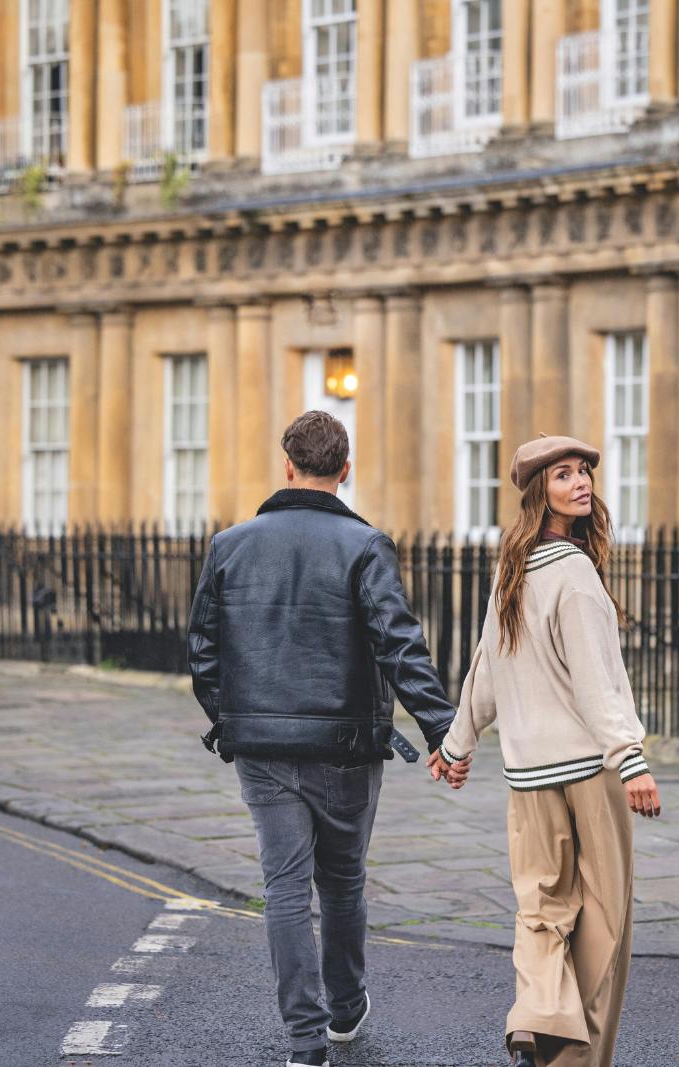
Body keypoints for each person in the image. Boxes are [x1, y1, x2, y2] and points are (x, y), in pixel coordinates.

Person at [187, 410, 457, 1067]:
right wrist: (444, 730)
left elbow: (202, 653)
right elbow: (400, 644)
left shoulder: (229, 544)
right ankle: (344, 1010)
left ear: (287, 465)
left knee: (283, 887)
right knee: (341, 883)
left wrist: (233, 720)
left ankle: (305, 1046)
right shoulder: (366, 545)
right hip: (344, 749)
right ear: (346, 468)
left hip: (263, 749)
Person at [427, 434, 662, 1067]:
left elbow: (484, 667)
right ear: (541, 492)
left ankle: (536, 1016)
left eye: (584, 471)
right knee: (604, 920)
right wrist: (631, 760)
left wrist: (456, 745)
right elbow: (597, 678)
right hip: (589, 773)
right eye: (564, 475)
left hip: (526, 775)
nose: (581, 482)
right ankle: (571, 1056)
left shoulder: (510, 566)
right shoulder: (575, 572)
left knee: (541, 910)